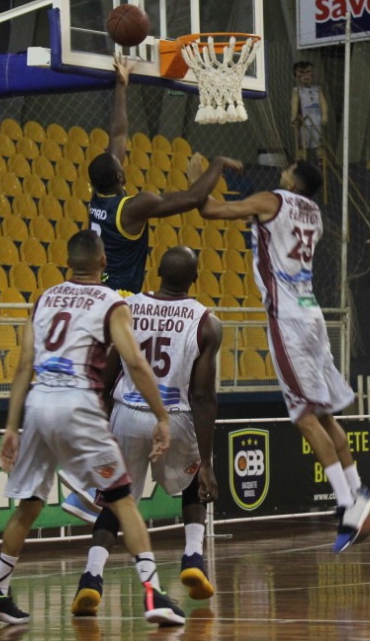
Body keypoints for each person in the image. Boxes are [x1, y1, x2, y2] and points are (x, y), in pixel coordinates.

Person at [0, 230, 184, 627]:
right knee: (121, 498)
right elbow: (135, 363)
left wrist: (11, 427)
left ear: (69, 263)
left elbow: (22, 365)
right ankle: (154, 592)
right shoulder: (110, 301)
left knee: (29, 504)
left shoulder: (44, 298)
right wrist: (162, 416)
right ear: (104, 263)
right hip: (77, 404)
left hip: (38, 403)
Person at [198, 159, 370, 552]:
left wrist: (204, 174)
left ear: (294, 179)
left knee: (303, 416)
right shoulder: (314, 212)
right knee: (326, 413)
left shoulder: (271, 200)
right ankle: (357, 490)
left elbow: (211, 209)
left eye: (288, 169)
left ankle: (348, 504)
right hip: (313, 314)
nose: (282, 171)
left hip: (288, 318)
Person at [71, 246, 223, 615]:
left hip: (127, 411)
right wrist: (206, 461)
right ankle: (192, 559)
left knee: (116, 497)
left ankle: (91, 578)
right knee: (191, 485)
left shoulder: (127, 306)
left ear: (156, 271)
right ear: (195, 278)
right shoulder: (206, 322)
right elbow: (202, 395)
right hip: (175, 416)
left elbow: (106, 373)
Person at [87, 55, 242, 294]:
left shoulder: (98, 197)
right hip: (119, 296)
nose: (122, 163)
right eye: (121, 167)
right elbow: (192, 198)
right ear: (120, 177)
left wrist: (121, 85)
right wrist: (218, 164)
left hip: (97, 290)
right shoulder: (132, 207)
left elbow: (118, 135)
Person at [290, 61, 330, 166]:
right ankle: (301, 159)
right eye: (301, 73)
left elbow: (323, 103)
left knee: (318, 140)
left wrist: (325, 115)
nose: (305, 76)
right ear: (296, 75)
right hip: (304, 121)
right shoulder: (297, 90)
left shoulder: (317, 89)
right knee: (303, 142)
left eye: (308, 72)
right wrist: (293, 118)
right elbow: (294, 104)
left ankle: (320, 158)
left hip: (317, 119)